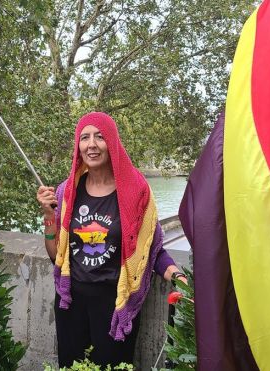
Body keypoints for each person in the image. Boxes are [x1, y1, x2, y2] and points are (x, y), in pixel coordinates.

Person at [36, 112, 186, 368]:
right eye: (84, 138)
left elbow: (153, 248)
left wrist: (177, 276)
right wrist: (50, 215)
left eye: (99, 137)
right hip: (70, 304)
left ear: (113, 143)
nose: (91, 144)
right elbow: (56, 256)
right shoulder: (66, 192)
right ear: (78, 146)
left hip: (114, 306)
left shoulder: (136, 192)